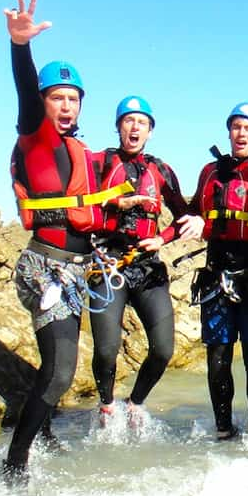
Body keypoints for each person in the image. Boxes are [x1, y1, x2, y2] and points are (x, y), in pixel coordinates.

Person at [1, 0, 130, 485]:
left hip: (74, 271)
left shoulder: (75, 150)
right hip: (46, 267)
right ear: (43, 101)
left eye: (73, 98)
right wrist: (19, 47)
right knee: (58, 372)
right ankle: (13, 468)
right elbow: (24, 95)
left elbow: (83, 209)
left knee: (56, 367)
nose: (66, 104)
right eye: (57, 96)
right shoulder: (36, 138)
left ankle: (43, 436)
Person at [89, 96, 202, 429]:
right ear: (118, 126)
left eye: (141, 123)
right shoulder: (99, 163)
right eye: (128, 121)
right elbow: (78, 205)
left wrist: (162, 238)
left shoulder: (162, 170)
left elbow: (186, 216)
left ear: (150, 131)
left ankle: (135, 403)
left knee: (164, 349)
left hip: (147, 266)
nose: (134, 127)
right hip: (107, 264)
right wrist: (118, 203)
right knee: (107, 350)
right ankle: (107, 405)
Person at [186, 103, 248, 439]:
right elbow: (194, 213)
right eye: (236, 127)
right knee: (218, 360)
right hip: (216, 276)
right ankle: (224, 430)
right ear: (229, 132)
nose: (241, 134)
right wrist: (194, 220)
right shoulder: (210, 172)